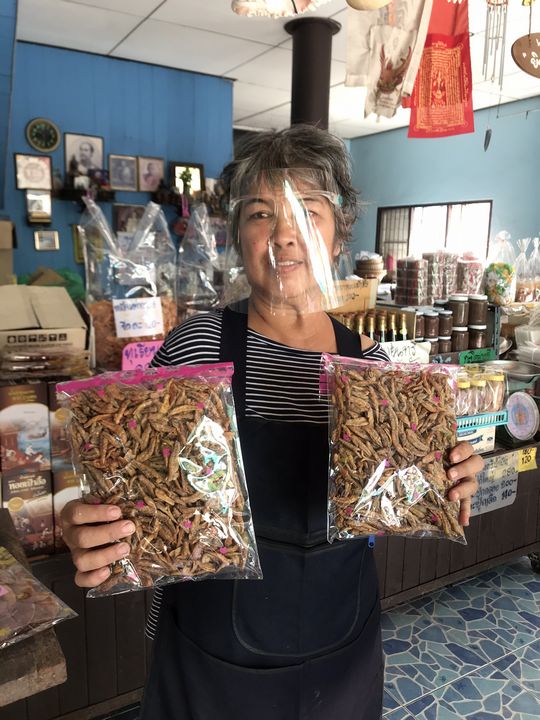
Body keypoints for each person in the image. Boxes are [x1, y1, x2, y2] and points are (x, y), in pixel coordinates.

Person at [61, 125, 482, 720]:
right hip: (211, 668)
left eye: (307, 211)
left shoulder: (376, 371)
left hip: (343, 655)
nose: (284, 234)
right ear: (238, 234)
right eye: (261, 213)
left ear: (338, 234)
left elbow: (402, 497)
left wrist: (448, 479)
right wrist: (91, 525)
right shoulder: (196, 348)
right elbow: (130, 488)